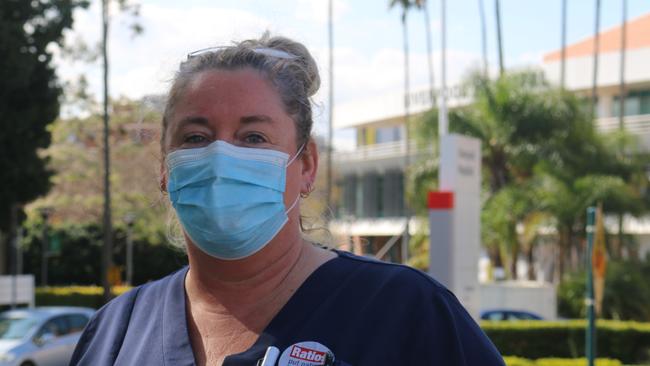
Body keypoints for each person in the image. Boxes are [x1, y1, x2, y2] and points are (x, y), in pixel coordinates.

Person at [70, 34, 505, 366]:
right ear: (166, 168)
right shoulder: (114, 334)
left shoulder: (407, 312)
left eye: (254, 137)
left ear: (307, 165)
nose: (222, 157)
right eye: (196, 137)